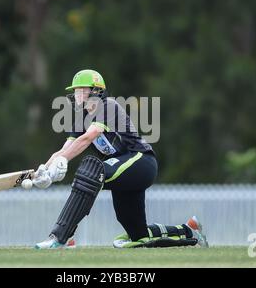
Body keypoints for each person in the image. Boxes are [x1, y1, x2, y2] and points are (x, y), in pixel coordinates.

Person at [21, 69, 209, 249]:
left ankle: (62, 237)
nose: (78, 95)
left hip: (140, 161)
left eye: (82, 90)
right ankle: (189, 229)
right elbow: (66, 147)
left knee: (91, 173)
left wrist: (64, 160)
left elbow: (89, 137)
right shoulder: (80, 117)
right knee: (138, 235)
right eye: (76, 91)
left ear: (97, 91)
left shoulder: (107, 105)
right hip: (124, 169)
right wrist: (45, 171)